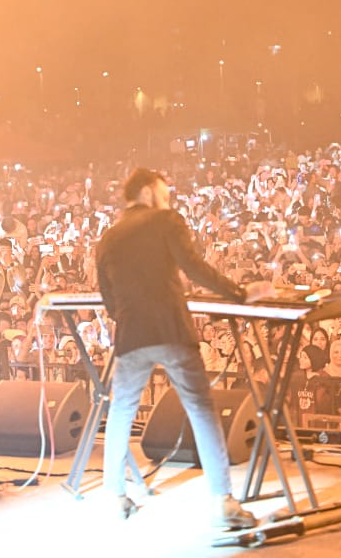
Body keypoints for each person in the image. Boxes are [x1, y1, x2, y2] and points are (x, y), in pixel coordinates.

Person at [96, 168, 273, 532]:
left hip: (131, 335)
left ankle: (114, 497)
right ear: (148, 191)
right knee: (201, 410)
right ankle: (222, 501)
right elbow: (194, 267)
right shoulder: (166, 220)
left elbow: (108, 297)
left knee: (121, 411)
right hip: (171, 329)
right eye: (164, 193)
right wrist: (239, 293)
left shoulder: (108, 237)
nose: (168, 200)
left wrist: (128, 317)